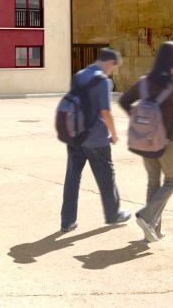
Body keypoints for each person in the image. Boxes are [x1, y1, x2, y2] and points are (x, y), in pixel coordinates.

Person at [119, 41, 173, 243]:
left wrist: (138, 122)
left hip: (145, 141)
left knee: (153, 182)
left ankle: (152, 231)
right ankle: (146, 217)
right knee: (171, 181)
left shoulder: (145, 81)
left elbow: (124, 100)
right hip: (166, 142)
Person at [60, 48, 131, 233]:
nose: (112, 71)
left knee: (72, 178)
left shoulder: (80, 75)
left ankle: (67, 221)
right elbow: (105, 112)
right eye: (113, 67)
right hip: (96, 137)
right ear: (110, 62)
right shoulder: (102, 80)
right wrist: (114, 134)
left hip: (75, 134)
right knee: (106, 177)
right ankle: (113, 214)